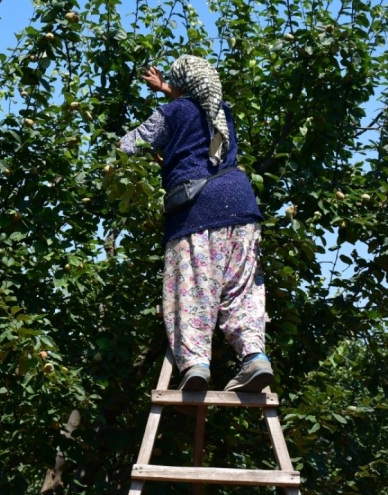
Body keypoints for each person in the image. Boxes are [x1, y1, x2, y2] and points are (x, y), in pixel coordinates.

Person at [118, 55, 272, 393]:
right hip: (241, 205)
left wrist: (156, 150)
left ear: (180, 85)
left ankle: (196, 365)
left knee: (192, 289)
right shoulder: (223, 111)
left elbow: (128, 146)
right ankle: (254, 358)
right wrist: (168, 90)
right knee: (242, 290)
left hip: (197, 210)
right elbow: (199, 123)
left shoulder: (173, 112)